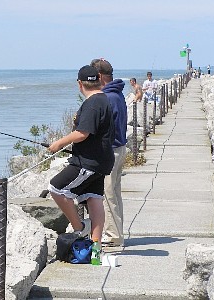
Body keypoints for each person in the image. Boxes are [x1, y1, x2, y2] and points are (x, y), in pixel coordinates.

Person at [48, 65, 115, 244]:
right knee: (93, 199)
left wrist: (59, 143)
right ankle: (95, 248)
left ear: (80, 84)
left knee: (57, 188)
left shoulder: (92, 103)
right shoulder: (104, 100)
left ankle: (80, 228)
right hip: (102, 160)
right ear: (100, 80)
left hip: (88, 162)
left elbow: (82, 133)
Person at [90, 58, 127, 247]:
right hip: (120, 148)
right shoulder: (117, 93)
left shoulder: (108, 97)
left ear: (100, 76)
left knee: (107, 194)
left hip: (112, 151)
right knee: (115, 193)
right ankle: (117, 232)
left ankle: (112, 235)